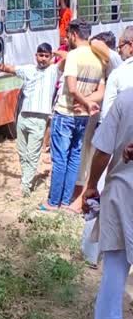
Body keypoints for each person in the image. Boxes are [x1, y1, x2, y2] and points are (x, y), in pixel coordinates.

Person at [84, 89, 133, 319]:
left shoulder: (127, 99)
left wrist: (91, 187)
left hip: (122, 197)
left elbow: (103, 151)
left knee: (114, 276)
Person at [43, 19, 105, 211]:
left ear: (74, 34)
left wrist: (82, 101)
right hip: (83, 116)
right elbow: (100, 91)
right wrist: (87, 102)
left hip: (65, 112)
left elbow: (71, 88)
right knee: (74, 157)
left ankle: (53, 202)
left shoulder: (74, 56)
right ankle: (66, 200)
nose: (66, 37)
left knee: (60, 158)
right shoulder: (98, 58)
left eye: (68, 34)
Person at [0, 43, 59, 196]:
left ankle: (25, 188)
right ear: (35, 56)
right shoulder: (28, 69)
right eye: (40, 55)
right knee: (22, 152)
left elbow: (68, 57)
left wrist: (56, 52)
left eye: (46, 56)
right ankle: (27, 178)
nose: (43, 59)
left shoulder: (53, 70)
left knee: (32, 154)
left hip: (39, 119)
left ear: (51, 57)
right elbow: (8, 68)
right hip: (23, 117)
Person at [101, 26, 133, 120]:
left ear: (131, 45)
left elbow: (106, 115)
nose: (119, 52)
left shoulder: (117, 74)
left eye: (120, 47)